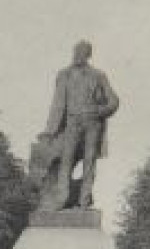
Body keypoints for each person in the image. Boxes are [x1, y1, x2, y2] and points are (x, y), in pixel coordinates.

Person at [40, 40, 119, 211]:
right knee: (66, 160)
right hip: (72, 122)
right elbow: (58, 104)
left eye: (82, 52)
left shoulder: (98, 75)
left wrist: (100, 111)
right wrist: (49, 130)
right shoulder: (64, 74)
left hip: (92, 123)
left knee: (89, 161)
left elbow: (114, 101)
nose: (78, 54)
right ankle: (61, 198)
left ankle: (84, 200)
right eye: (76, 51)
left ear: (88, 55)